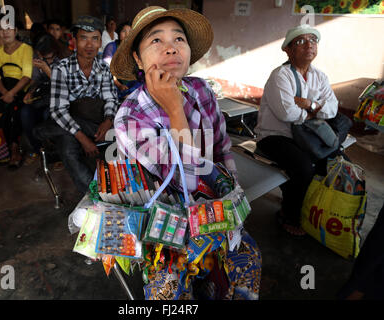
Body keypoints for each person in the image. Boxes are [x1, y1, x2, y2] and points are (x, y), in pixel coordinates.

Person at [111, 6, 260, 300]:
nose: (171, 48)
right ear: (138, 60)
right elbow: (185, 182)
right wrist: (174, 109)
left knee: (247, 258)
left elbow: (222, 149)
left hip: (214, 212)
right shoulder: (130, 116)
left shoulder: (202, 90)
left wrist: (232, 197)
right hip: (163, 228)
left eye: (179, 39)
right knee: (168, 288)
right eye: (156, 41)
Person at [254, 25, 340, 237]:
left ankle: (313, 209)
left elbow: (333, 108)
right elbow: (287, 114)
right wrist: (317, 111)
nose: (309, 44)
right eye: (301, 41)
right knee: (303, 167)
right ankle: (288, 214)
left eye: (313, 40)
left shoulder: (320, 77)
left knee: (334, 159)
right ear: (288, 50)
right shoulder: (280, 76)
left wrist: (310, 105)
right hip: (275, 136)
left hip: (306, 136)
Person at [34, 15, 119, 195]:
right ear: (74, 40)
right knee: (69, 147)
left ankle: (106, 190)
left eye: (95, 38)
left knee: (111, 141)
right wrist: (83, 138)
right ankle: (94, 196)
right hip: (71, 124)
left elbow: (111, 99)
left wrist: (108, 120)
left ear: (100, 42)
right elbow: (58, 110)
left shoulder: (104, 69)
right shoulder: (61, 69)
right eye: (83, 38)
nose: (89, 45)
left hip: (93, 123)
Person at [0, 17, 33, 169]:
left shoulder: (26, 49)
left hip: (21, 88)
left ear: (15, 31)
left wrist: (11, 93)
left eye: (9, 28)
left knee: (12, 110)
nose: (5, 32)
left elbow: (27, 76)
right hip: (4, 88)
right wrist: (4, 93)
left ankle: (14, 149)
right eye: (1, 29)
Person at [21, 33, 63, 165]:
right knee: (25, 113)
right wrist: (30, 92)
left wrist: (46, 68)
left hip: (59, 97)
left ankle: (56, 153)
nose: (47, 61)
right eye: (44, 57)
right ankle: (39, 150)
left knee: (48, 115)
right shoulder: (37, 57)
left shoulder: (64, 58)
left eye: (50, 58)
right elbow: (36, 79)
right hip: (42, 96)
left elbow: (63, 84)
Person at [103, 21, 140, 100]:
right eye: (124, 31)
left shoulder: (135, 48)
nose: (127, 35)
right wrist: (119, 85)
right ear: (119, 33)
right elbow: (107, 70)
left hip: (132, 83)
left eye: (130, 32)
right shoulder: (111, 47)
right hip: (115, 83)